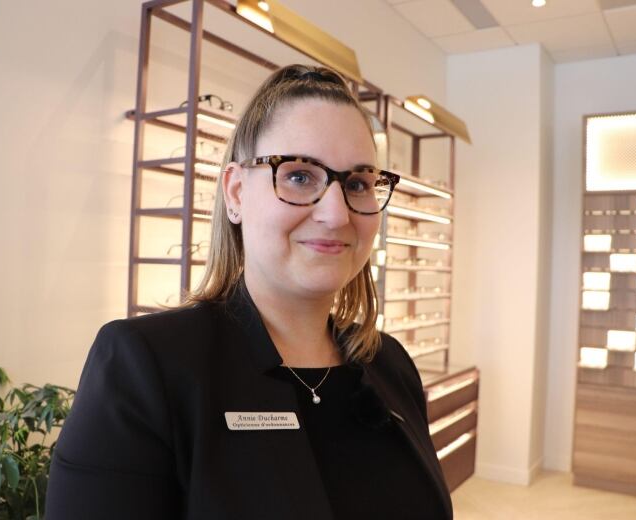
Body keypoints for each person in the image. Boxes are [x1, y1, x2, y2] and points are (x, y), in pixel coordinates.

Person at [44, 64, 452, 519]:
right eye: (299, 175)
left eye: (357, 183)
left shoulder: (390, 364)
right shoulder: (146, 367)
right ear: (236, 193)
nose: (336, 214)